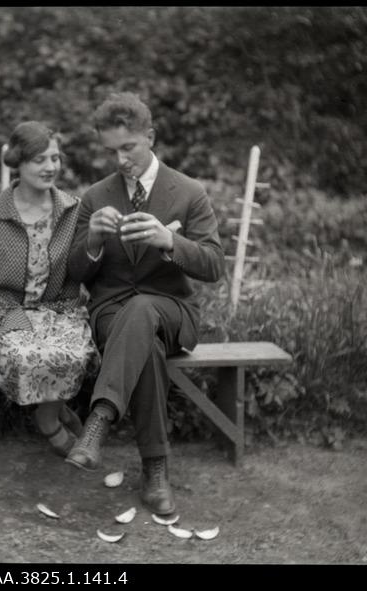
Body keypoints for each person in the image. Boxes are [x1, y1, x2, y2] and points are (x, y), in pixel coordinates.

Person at [66, 93, 225, 515]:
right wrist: (94, 241)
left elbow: (213, 265)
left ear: (149, 137)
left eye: (128, 148)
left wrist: (169, 240)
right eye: (110, 151)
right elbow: (76, 273)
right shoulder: (95, 196)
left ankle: (99, 419)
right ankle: (156, 471)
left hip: (173, 312)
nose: (120, 159)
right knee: (143, 340)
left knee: (146, 313)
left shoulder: (189, 192)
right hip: (113, 313)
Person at [0, 121, 98, 457]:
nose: (50, 167)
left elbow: (88, 267)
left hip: (61, 309)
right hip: (6, 311)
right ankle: (53, 420)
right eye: (39, 160)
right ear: (18, 162)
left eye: (55, 158)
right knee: (26, 355)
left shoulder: (74, 210)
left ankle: (46, 414)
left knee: (74, 353)